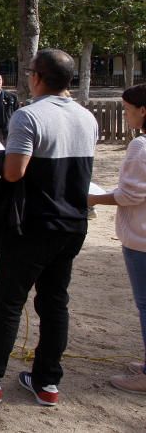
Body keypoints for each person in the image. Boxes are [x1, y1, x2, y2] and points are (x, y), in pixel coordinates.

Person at [0, 49, 98, 407]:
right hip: (72, 223)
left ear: (37, 77)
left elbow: (14, 172)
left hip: (31, 226)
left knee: (8, 304)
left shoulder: (29, 116)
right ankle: (47, 382)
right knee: (56, 303)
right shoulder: (87, 118)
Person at [87, 85, 146, 393]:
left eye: (127, 109)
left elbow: (129, 194)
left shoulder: (140, 147)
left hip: (141, 238)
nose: (125, 115)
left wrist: (95, 199)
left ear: (142, 111)